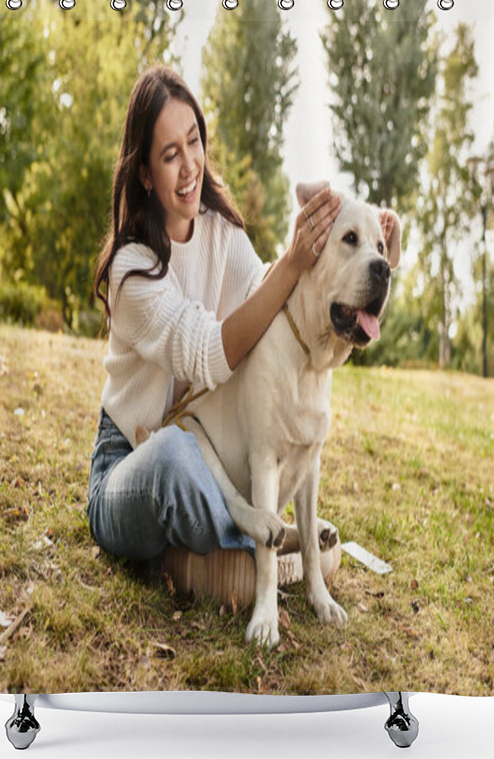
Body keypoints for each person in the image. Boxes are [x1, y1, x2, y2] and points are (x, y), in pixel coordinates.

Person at [87, 66, 340, 573]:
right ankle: (260, 548)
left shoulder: (220, 231)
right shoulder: (130, 268)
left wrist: (322, 235)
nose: (189, 167)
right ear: (144, 173)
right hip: (132, 463)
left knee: (198, 457)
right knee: (173, 459)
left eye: (194, 142)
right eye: (169, 155)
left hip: (208, 454)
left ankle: (232, 542)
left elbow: (264, 301)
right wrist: (291, 262)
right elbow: (208, 354)